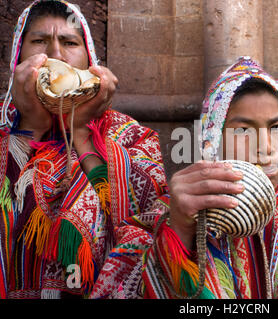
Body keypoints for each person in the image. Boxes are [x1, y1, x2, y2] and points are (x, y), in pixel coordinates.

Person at [91, 56, 278, 299]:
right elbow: (117, 285)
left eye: (276, 128)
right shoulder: (166, 216)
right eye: (243, 130)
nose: (265, 147)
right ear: (212, 141)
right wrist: (178, 233)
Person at [0, 0, 167, 298]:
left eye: (69, 42)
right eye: (39, 41)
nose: (55, 54)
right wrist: (30, 129)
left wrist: (80, 132)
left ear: (89, 59)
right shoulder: (4, 125)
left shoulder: (130, 136)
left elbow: (148, 221)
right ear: (17, 56)